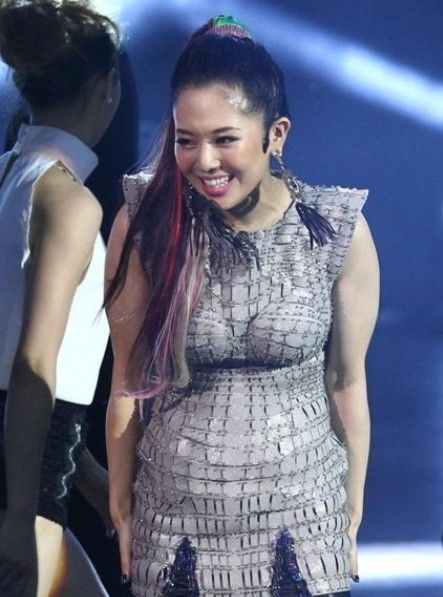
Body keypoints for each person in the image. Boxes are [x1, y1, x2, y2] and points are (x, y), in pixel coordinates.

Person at [106, 15, 379, 597]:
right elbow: (127, 382)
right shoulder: (147, 224)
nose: (204, 161)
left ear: (275, 134)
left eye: (224, 139)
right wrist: (122, 508)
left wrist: (351, 509)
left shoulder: (335, 230)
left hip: (304, 525)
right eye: (186, 140)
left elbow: (346, 382)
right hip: (174, 525)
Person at [0, 1, 121, 595]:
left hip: (31, 477)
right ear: (107, 86)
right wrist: (20, 517)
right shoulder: (67, 199)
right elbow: (32, 364)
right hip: (21, 493)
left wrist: (85, 473)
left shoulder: (11, 174)